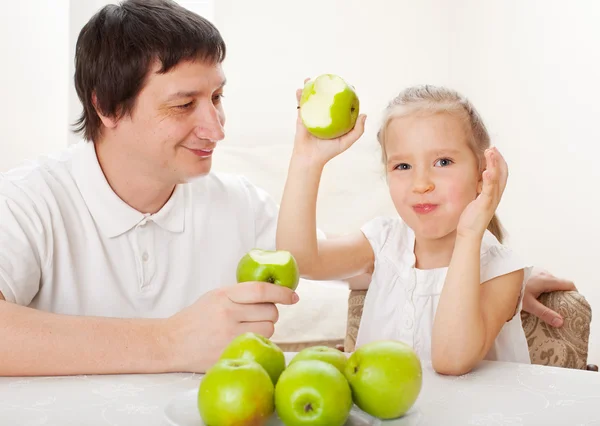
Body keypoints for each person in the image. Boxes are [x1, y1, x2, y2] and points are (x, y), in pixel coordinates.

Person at [0, 0, 575, 377]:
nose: (217, 127)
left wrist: (488, 278)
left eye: (217, 98)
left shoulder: (236, 201)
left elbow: (369, 263)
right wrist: (169, 342)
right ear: (105, 106)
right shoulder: (30, 201)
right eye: (184, 105)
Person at [277, 84, 555, 375]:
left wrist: (470, 234)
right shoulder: (383, 242)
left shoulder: (502, 269)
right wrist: (306, 161)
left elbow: (452, 360)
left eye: (443, 162)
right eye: (403, 166)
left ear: (482, 174)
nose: (421, 183)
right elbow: (300, 261)